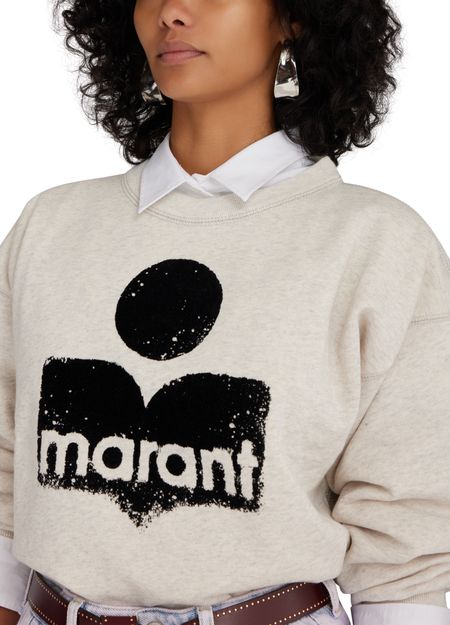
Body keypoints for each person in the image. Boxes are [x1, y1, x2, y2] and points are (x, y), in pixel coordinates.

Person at [1, 1, 450, 625]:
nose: (172, 11)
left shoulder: (373, 243)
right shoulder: (51, 226)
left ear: (294, 17)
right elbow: (7, 463)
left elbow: (405, 533)